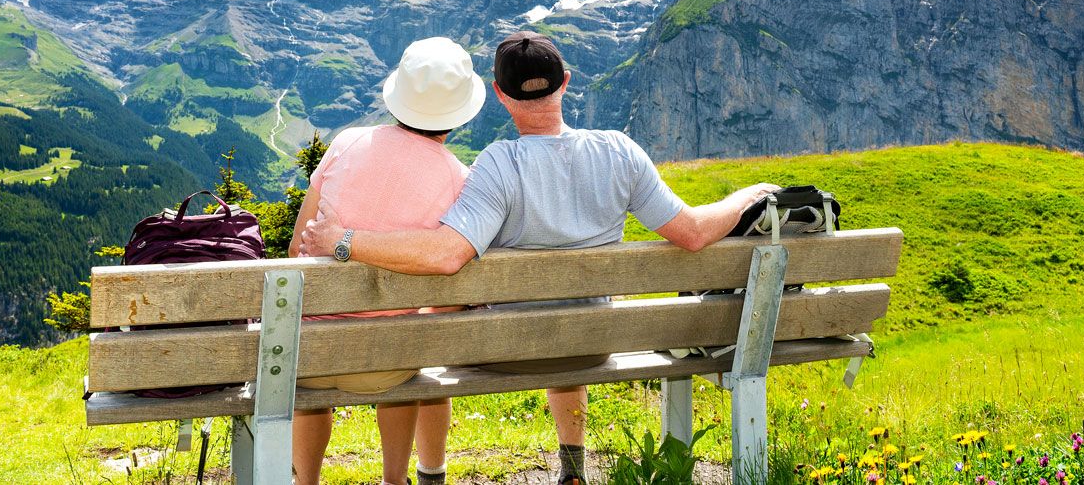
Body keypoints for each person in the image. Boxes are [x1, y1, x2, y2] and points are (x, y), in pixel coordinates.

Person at [301, 32, 775, 485]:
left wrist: (344, 240)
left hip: (507, 349)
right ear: (566, 81)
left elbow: (448, 254)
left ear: (500, 95)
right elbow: (692, 232)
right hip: (593, 342)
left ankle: (427, 475)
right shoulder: (620, 151)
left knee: (447, 327)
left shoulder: (496, 164)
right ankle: (571, 467)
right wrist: (748, 196)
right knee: (568, 318)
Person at [289, 36, 486, 485]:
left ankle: (306, 482)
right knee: (403, 347)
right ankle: (395, 479)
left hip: (314, 356)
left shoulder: (345, 143)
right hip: (393, 360)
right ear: (459, 113)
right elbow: (449, 294)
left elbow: (298, 246)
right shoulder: (459, 177)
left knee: (313, 377)